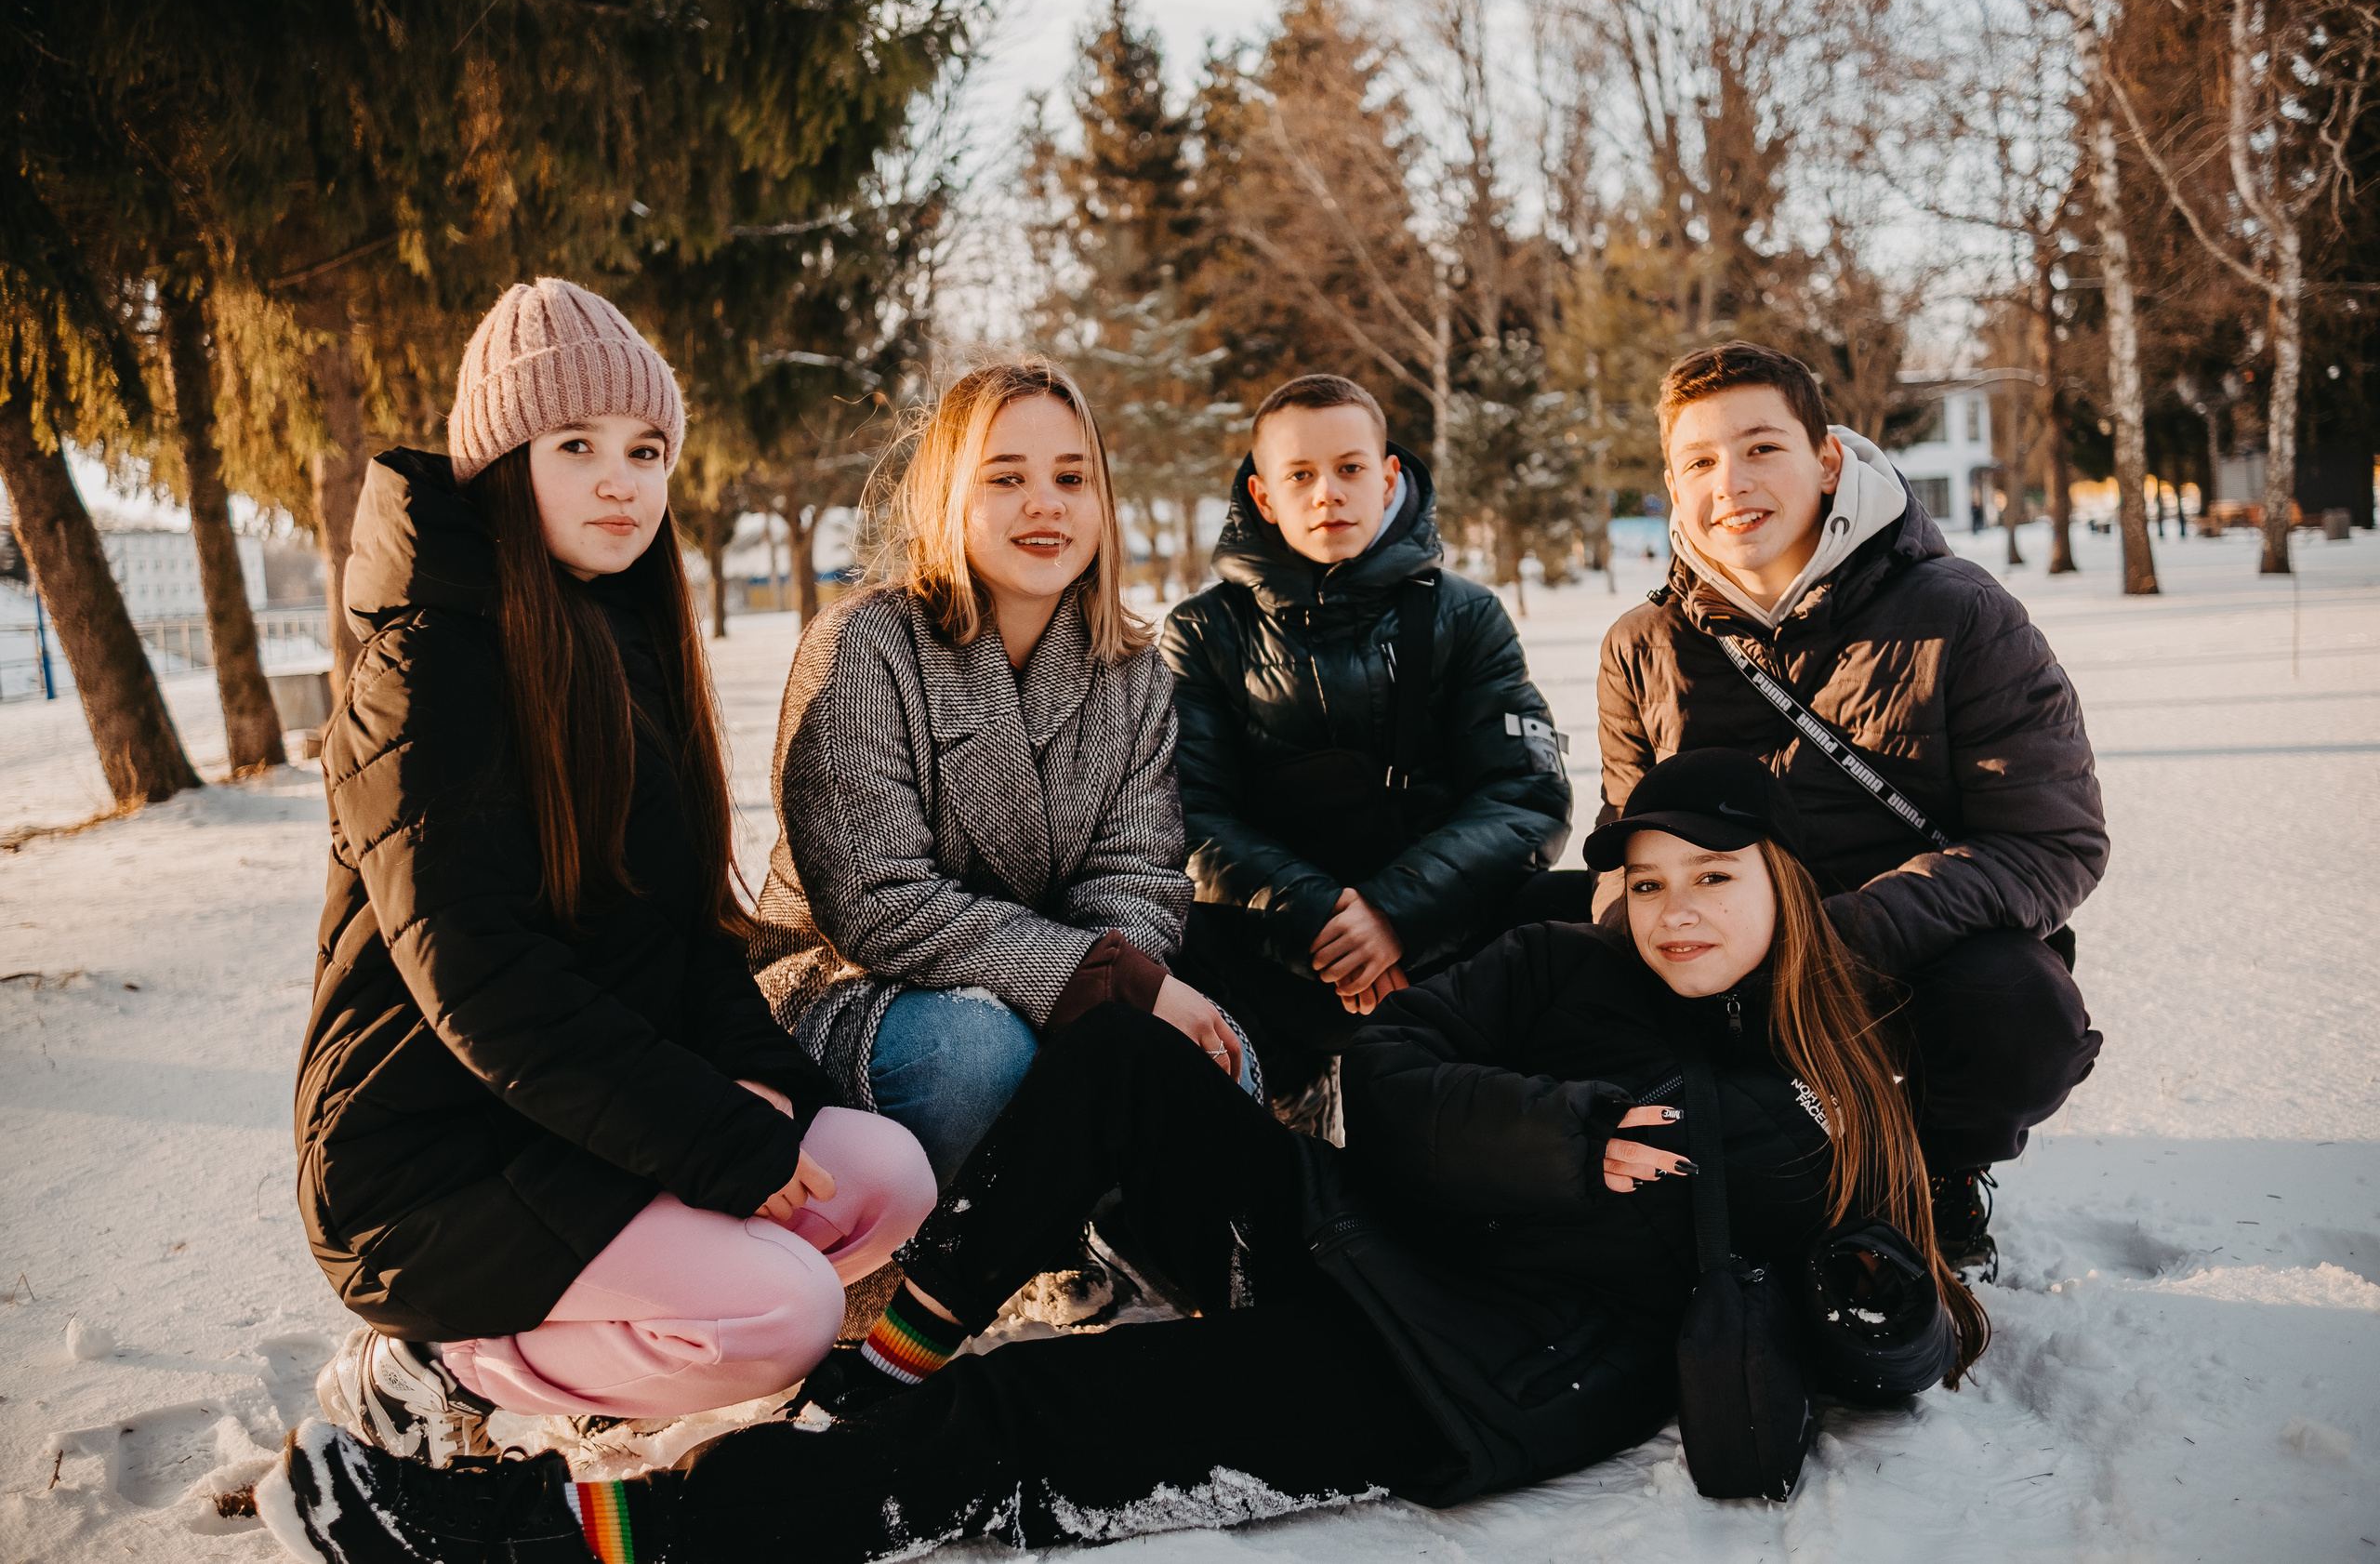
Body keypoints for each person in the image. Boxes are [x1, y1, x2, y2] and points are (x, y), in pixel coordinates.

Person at [258, 749, 1990, 1564]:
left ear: (1788, 901)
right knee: (1113, 1056)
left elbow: (1847, 1289)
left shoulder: (1812, 1101)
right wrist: (1574, 1136)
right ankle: (897, 1352)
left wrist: (1858, 1299)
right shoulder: (1563, 954)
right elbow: (1392, 1084)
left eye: (1721, 880)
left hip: (1435, 1373)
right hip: (1349, 1223)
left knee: (1030, 1426)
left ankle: (585, 1539)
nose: (1680, 911)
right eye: (1657, 877)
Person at [292, 278, 936, 1470]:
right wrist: (714, 1142)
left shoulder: (625, 639)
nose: (619, 480)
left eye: (646, 450)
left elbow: (686, 939)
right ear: (500, 463)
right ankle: (431, 1365)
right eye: (575, 445)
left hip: (575, 1122)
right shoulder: (422, 672)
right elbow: (484, 984)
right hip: (430, 1158)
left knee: (882, 1176)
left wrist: (766, 1095)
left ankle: (610, 1338)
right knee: (784, 1308)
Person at [1597, 339, 2108, 1270]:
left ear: (1827, 458)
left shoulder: (1960, 612)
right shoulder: (1642, 646)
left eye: (1760, 448)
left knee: (2019, 1008)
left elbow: (2050, 843)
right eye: (1698, 462)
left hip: (1910, 960)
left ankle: (1936, 1177)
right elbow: (1623, 850)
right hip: (1719, 962)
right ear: (1672, 486)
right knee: (1547, 961)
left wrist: (1831, 939)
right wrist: (1639, 936)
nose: (1730, 483)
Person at [746, 359, 1247, 1185]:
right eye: (1006, 477)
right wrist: (1094, 983)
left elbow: (1139, 879)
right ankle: (913, 1270)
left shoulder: (1133, 678)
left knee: (1217, 1057)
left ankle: (1118, 1246)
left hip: (1059, 984)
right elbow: (876, 901)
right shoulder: (865, 647)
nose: (1045, 503)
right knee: (976, 1055)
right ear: (949, 495)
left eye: (1071, 477)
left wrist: (1100, 996)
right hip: (847, 987)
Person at [1164, 374, 1581, 1111]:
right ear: (1263, 495)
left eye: (1350, 468)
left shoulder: (1467, 614)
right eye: (1301, 474)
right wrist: (1323, 918)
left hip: (1440, 945)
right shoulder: (1203, 631)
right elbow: (1187, 815)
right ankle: (1274, 1098)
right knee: (1151, 920)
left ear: (1388, 477)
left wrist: (1394, 915)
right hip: (1271, 951)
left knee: (1572, 906)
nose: (1328, 492)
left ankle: (1520, 1123)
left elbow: (1526, 792)